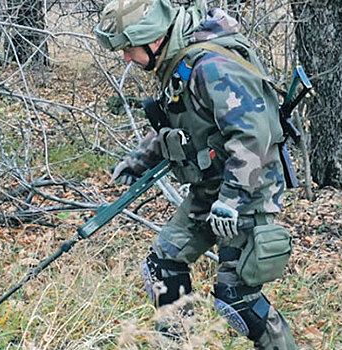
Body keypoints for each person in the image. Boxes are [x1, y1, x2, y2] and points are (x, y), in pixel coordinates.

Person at [94, 0, 297, 349]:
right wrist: (140, 159)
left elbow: (254, 137)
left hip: (247, 188)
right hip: (212, 186)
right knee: (164, 266)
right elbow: (185, 122)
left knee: (237, 300)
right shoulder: (179, 60)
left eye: (128, 49)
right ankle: (178, 343)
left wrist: (231, 202)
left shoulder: (212, 66)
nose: (126, 58)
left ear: (153, 39)